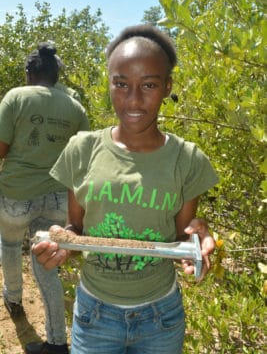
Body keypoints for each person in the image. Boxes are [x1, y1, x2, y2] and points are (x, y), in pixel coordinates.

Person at [32, 25, 219, 354]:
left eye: (148, 84)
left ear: (167, 87)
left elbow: (179, 243)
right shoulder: (82, 149)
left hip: (160, 319)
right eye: (121, 84)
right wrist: (63, 244)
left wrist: (197, 244)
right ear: (109, 85)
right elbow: (77, 231)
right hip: (95, 316)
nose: (133, 99)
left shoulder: (188, 160)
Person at [0, 42, 90, 354]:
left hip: (16, 195)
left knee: (10, 245)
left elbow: (1, 148)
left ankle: (12, 298)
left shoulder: (16, 97)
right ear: (56, 75)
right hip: (57, 197)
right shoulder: (75, 108)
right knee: (46, 263)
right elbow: (83, 160)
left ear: (29, 73)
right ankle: (57, 342)